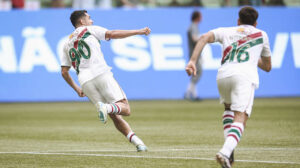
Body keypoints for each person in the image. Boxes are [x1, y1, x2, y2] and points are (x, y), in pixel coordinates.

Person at [185, 6, 271, 168]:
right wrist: (254, 55)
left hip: (223, 76)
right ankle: (225, 152)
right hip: (244, 77)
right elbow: (267, 66)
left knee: (228, 110)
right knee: (241, 116)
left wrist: (192, 61)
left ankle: (229, 156)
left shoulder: (226, 30)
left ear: (238, 21)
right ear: (256, 23)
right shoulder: (262, 35)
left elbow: (203, 37)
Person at [60, 10, 151, 152]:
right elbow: (112, 34)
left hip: (85, 81)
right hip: (101, 73)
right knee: (125, 108)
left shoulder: (67, 43)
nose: (92, 21)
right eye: (89, 18)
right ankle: (107, 107)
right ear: (82, 22)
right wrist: (138, 32)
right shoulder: (89, 30)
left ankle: (138, 143)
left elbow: (64, 72)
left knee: (115, 116)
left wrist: (77, 89)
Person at [184, 11, 203, 101]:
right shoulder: (193, 26)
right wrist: (204, 39)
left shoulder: (192, 26)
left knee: (195, 73)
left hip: (194, 53)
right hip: (195, 54)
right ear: (197, 17)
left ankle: (193, 94)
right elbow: (194, 38)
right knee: (198, 73)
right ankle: (189, 92)